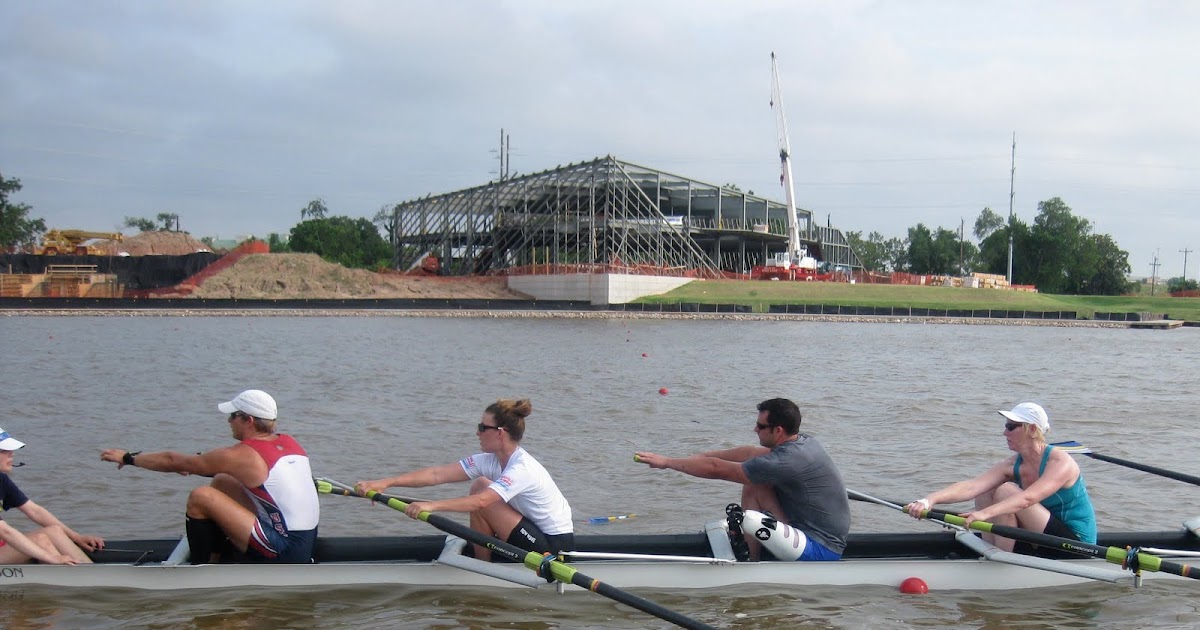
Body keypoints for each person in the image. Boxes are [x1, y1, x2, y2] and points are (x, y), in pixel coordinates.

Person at [100, 390, 319, 564]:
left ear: (249, 420)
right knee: (223, 481)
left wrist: (129, 458)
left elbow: (171, 460)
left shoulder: (242, 455)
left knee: (201, 496)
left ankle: (202, 567)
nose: (229, 421)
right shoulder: (289, 442)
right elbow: (220, 465)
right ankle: (219, 553)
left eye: (233, 416)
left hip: (284, 552)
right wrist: (194, 465)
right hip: (303, 542)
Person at [356, 399, 574, 561]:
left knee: (481, 495)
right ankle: (483, 562)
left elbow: (480, 502)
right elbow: (436, 475)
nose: (477, 432)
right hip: (531, 531)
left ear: (500, 433)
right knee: (480, 484)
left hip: (553, 546)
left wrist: (431, 506)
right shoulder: (489, 461)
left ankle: (482, 567)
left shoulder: (522, 468)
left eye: (482, 427)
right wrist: (385, 483)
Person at [635, 398, 850, 561]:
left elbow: (716, 469)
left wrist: (667, 462)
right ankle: (751, 557)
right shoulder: (803, 442)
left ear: (778, 430)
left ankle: (748, 568)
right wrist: (693, 458)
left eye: (761, 426)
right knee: (756, 484)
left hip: (821, 549)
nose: (755, 429)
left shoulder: (784, 460)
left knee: (751, 499)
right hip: (809, 532)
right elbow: (746, 452)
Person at [904, 402, 1097, 557]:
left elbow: (1027, 499)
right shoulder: (1012, 464)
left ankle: (1001, 561)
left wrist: (984, 514)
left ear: (1031, 429)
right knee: (986, 490)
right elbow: (972, 487)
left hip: (1075, 545)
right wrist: (928, 500)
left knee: (1006, 491)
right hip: (1041, 535)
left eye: (1011, 426)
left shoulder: (1060, 462)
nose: (1005, 432)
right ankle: (990, 551)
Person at [0, 427, 104, 565]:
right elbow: (5, 531)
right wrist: (51, 558)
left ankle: (89, 571)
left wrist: (76, 537)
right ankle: (80, 579)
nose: (11, 454)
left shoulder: (2, 480)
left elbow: (35, 511)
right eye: (4, 451)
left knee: (53, 531)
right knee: (40, 540)